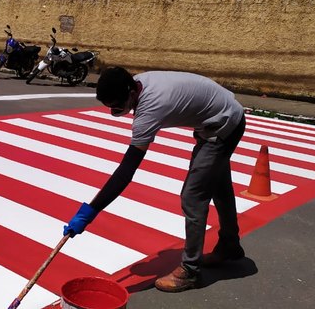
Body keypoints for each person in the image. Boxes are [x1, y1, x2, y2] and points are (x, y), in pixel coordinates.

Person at [63, 66, 247, 293]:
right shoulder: (138, 83)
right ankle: (230, 245)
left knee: (192, 196)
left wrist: (90, 212)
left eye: (118, 106)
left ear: (131, 93)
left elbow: (126, 171)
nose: (116, 111)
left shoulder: (150, 108)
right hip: (221, 116)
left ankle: (191, 271)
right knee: (219, 187)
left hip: (223, 126)